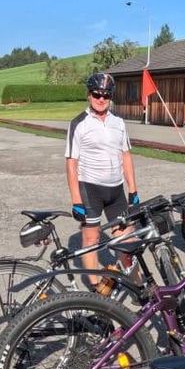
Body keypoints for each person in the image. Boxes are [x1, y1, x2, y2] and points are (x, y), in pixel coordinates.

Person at [66, 72, 140, 292]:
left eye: (106, 95)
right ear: (89, 95)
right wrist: (76, 200)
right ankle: (95, 287)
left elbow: (126, 156)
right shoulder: (79, 123)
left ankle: (136, 284)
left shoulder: (119, 122)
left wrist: (133, 190)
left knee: (126, 238)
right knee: (91, 238)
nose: (101, 99)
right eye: (97, 94)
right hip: (90, 188)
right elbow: (71, 163)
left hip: (116, 189)